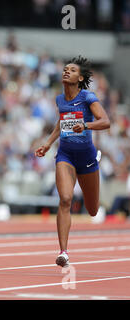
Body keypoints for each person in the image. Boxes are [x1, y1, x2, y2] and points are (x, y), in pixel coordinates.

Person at [35, 56, 110, 267]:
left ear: (81, 77)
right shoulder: (60, 100)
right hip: (65, 155)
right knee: (65, 199)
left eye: (72, 70)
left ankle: (97, 159)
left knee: (93, 209)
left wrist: (85, 126)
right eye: (65, 69)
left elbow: (105, 121)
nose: (66, 71)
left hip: (86, 157)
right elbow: (61, 121)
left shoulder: (88, 97)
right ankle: (63, 252)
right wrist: (49, 143)